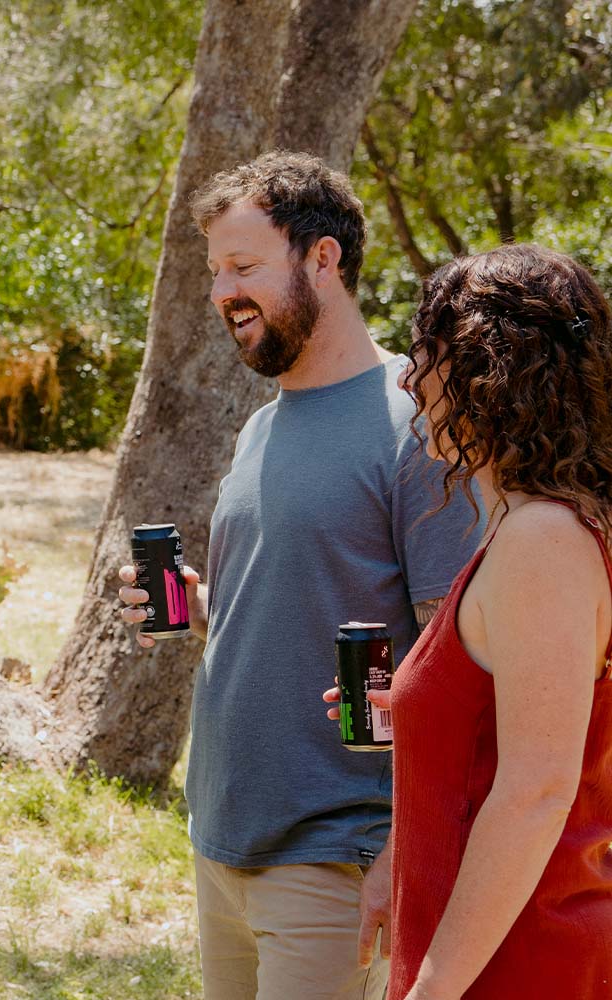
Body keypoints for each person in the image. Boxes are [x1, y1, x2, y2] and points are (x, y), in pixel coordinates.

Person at [119, 150, 479, 999]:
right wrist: (199, 606)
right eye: (216, 271)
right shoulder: (261, 429)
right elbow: (299, 601)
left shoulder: (418, 422)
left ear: (323, 258)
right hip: (223, 837)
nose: (222, 292)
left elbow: (459, 661)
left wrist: (402, 852)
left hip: (339, 855)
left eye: (244, 266)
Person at [361, 244, 612, 999]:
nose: (408, 379)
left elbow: (536, 792)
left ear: (486, 369)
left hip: (517, 965)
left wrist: (431, 992)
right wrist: (420, 709)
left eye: (424, 353)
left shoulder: (543, 540)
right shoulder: (538, 527)